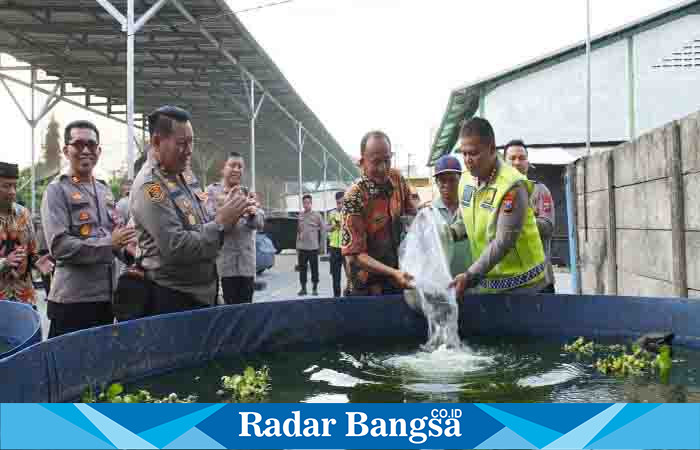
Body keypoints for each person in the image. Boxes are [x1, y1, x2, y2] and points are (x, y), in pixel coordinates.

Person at [130, 106, 250, 315]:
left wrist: (228, 210)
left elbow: (200, 223)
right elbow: (176, 246)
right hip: (173, 298)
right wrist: (221, 222)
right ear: (157, 142)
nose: (189, 150)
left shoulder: (183, 174)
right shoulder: (151, 187)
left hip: (201, 294)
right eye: (181, 143)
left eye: (191, 142)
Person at [41, 121, 134, 337]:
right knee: (69, 367)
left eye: (91, 145)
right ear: (66, 150)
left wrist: (128, 250)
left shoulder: (103, 189)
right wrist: (109, 244)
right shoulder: (57, 190)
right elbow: (59, 246)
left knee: (99, 365)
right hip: (73, 300)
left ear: (99, 150)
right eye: (78, 144)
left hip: (105, 299)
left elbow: (115, 235)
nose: (85, 150)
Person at [450, 118, 546, 296]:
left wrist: (469, 276)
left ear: (492, 149)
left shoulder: (512, 185)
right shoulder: (465, 180)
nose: (468, 160)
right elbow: (466, 220)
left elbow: (503, 242)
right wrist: (450, 233)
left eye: (473, 153)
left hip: (526, 287)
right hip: (489, 285)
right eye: (463, 154)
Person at [341, 130, 416, 296]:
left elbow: (412, 215)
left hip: (399, 282)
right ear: (362, 163)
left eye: (387, 160)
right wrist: (393, 272)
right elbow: (355, 255)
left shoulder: (397, 179)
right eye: (376, 162)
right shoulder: (354, 197)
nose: (383, 168)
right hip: (365, 289)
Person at [206, 152, 264, 304]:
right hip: (224, 266)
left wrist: (252, 215)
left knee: (246, 311)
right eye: (232, 165)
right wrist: (229, 211)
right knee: (227, 313)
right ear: (223, 169)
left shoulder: (248, 193)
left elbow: (261, 222)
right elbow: (207, 219)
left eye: (240, 167)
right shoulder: (212, 192)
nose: (237, 169)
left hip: (247, 266)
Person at [504, 139, 556, 293]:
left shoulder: (540, 190)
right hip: (507, 281)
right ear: (504, 162)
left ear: (528, 162)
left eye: (522, 158)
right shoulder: (496, 194)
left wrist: (520, 219)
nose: (517, 162)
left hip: (540, 281)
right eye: (512, 158)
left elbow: (547, 227)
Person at [0, 163, 53, 306]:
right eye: (6, 186)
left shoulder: (24, 214)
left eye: (14, 186)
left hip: (25, 299)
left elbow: (32, 251)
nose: (12, 191)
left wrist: (38, 262)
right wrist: (4, 262)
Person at [427, 155, 472, 277]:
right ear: (436, 182)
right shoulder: (430, 212)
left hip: (472, 280)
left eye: (452, 179)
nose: (447, 184)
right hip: (444, 282)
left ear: (460, 180)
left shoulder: (471, 208)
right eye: (442, 180)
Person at [296, 194, 325, 296]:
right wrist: (297, 246)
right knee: (302, 269)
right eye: (304, 203)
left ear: (311, 203)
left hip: (313, 247)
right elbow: (298, 231)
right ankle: (303, 288)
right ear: (303, 204)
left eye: (308, 202)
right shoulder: (300, 215)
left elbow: (323, 229)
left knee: (314, 269)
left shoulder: (317, 215)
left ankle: (314, 288)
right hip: (302, 247)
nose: (306, 204)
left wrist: (321, 245)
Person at [327, 191, 347, 297]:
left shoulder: (349, 213)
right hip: (334, 248)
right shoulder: (331, 214)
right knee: (336, 275)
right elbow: (327, 228)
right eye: (339, 203)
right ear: (336, 203)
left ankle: (350, 295)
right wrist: (333, 227)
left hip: (346, 248)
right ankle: (336, 297)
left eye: (343, 203)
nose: (341, 205)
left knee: (350, 274)